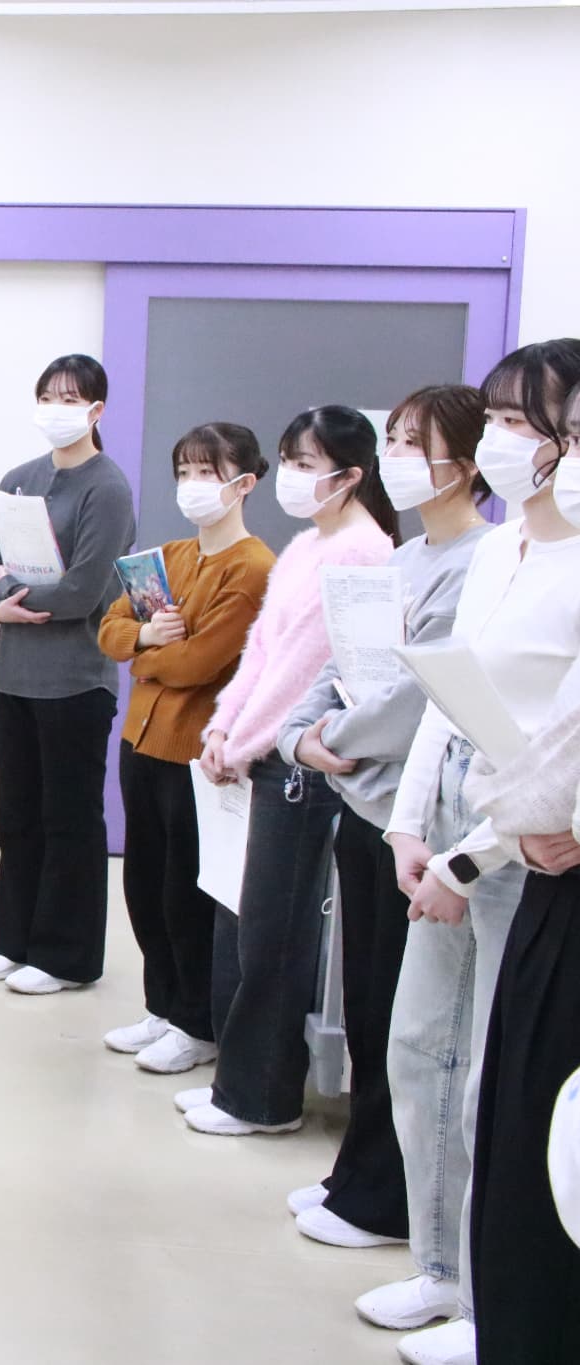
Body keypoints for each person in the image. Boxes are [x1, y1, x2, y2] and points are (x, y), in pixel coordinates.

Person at [378, 339, 580, 1365]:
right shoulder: (499, 550)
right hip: (457, 803)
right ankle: (437, 1264)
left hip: (526, 833)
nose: (502, 438)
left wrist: (469, 859)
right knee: (418, 1048)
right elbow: (443, 690)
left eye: (519, 423)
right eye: (494, 417)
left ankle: (479, 1296)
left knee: (489, 1078)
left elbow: (555, 756)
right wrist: (409, 822)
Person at [273, 387, 492, 1263]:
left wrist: (329, 739)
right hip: (364, 804)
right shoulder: (402, 558)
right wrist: (300, 734)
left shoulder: (478, 563)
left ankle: (390, 1195)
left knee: (412, 1023)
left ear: (465, 464)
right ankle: (356, 1172)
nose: (395, 456)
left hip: (419, 818)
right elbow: (338, 662)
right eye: (392, 438)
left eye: (412, 443)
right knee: (367, 1006)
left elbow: (414, 695)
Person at [181, 406, 396, 1137]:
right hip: (263, 757)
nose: (293, 476)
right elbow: (262, 654)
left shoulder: (361, 552)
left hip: (298, 767)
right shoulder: (309, 543)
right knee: (248, 927)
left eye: (307, 464)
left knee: (276, 937)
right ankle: (238, 1082)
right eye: (290, 460)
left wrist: (241, 742)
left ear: (350, 475)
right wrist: (221, 728)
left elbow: (305, 672)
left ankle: (261, 1098)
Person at [458, 382, 580, 1360]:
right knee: (517, 1122)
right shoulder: (500, 550)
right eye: (567, 437)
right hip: (536, 855)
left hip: (545, 858)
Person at [97, 423, 274, 1074]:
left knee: (185, 892)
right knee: (143, 883)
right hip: (140, 740)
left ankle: (197, 1021)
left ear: (243, 483)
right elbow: (109, 629)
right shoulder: (168, 556)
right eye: (185, 472)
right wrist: (144, 638)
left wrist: (145, 657)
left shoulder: (253, 568)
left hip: (194, 752)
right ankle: (163, 1004)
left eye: (207, 472)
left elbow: (201, 662)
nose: (192, 485)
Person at [0, 355, 136, 994]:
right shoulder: (19, 479)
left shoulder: (106, 488)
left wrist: (17, 598)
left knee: (69, 818)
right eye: (48, 396)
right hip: (13, 674)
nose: (56, 408)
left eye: (70, 398)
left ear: (96, 410)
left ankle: (65, 958)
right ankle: (13, 941)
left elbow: (83, 589)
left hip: (75, 678)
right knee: (17, 814)